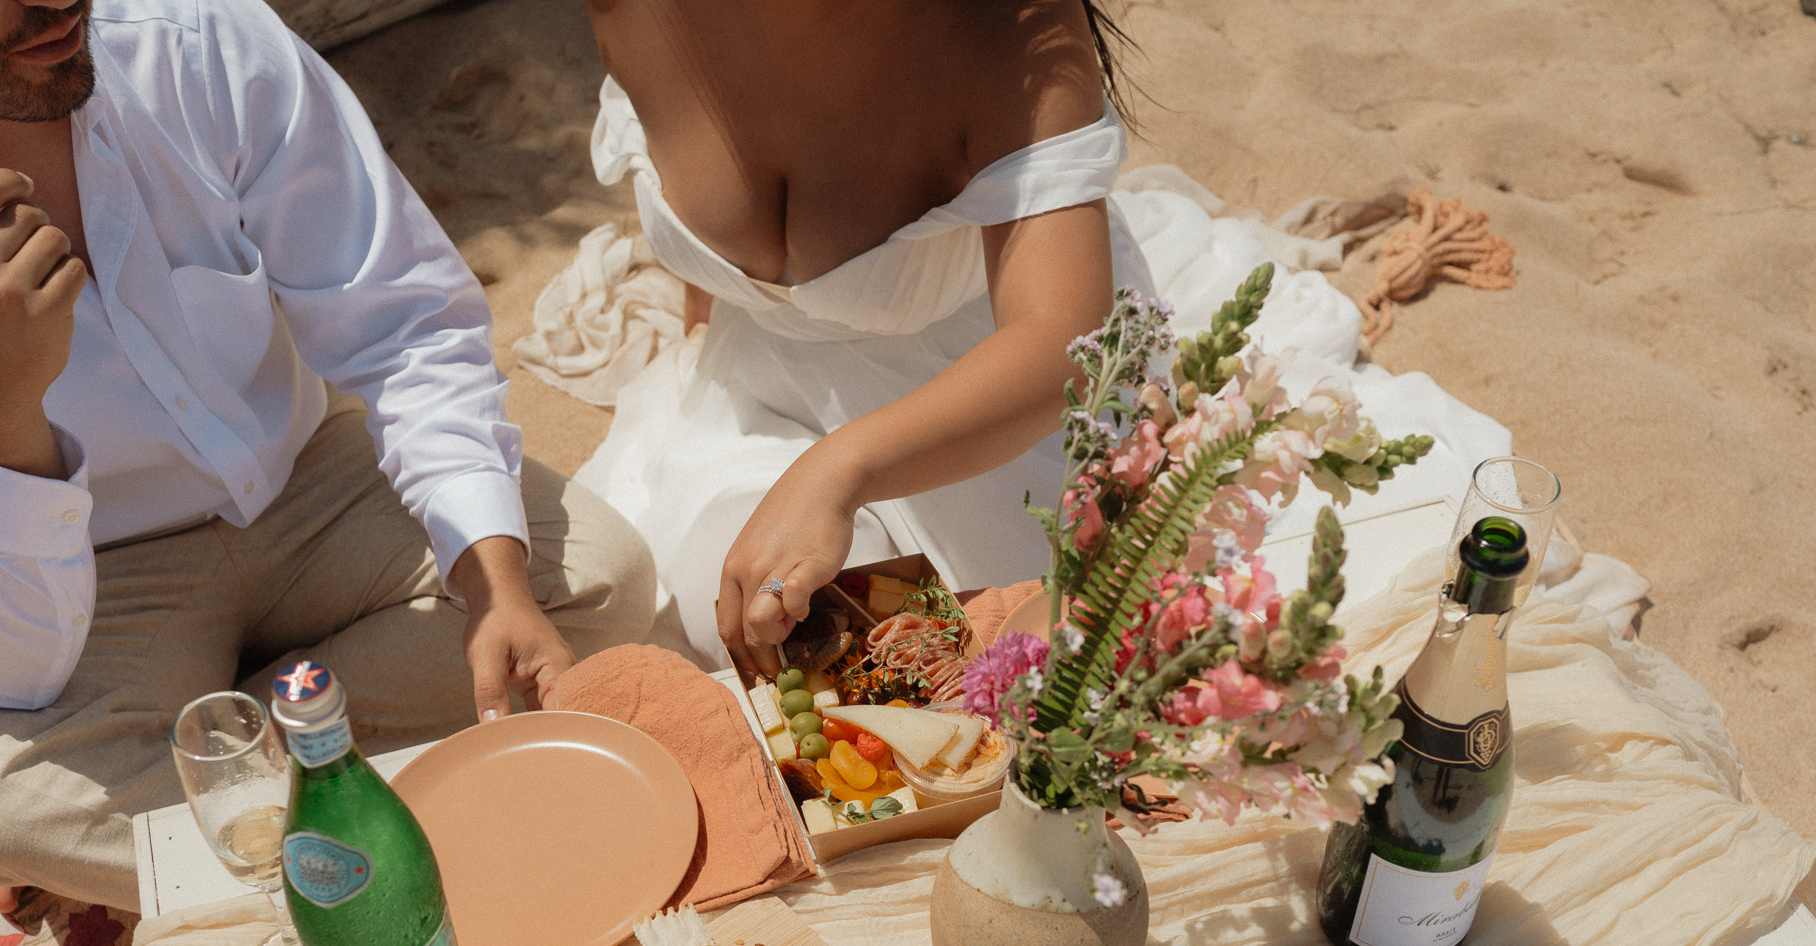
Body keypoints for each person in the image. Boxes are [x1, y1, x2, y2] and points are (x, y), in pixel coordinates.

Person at [0, 0, 656, 909]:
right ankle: (328, 781)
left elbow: (400, 320)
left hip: (309, 478)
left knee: (600, 581)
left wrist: (493, 583)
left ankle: (221, 772)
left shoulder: (188, 31)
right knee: (3, 811)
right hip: (88, 581)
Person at [568, 0, 1502, 674]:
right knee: (743, 615)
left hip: (989, 400)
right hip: (760, 388)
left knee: (950, 666)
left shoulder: (1007, 32)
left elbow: (1060, 339)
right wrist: (701, 365)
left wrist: (837, 470)